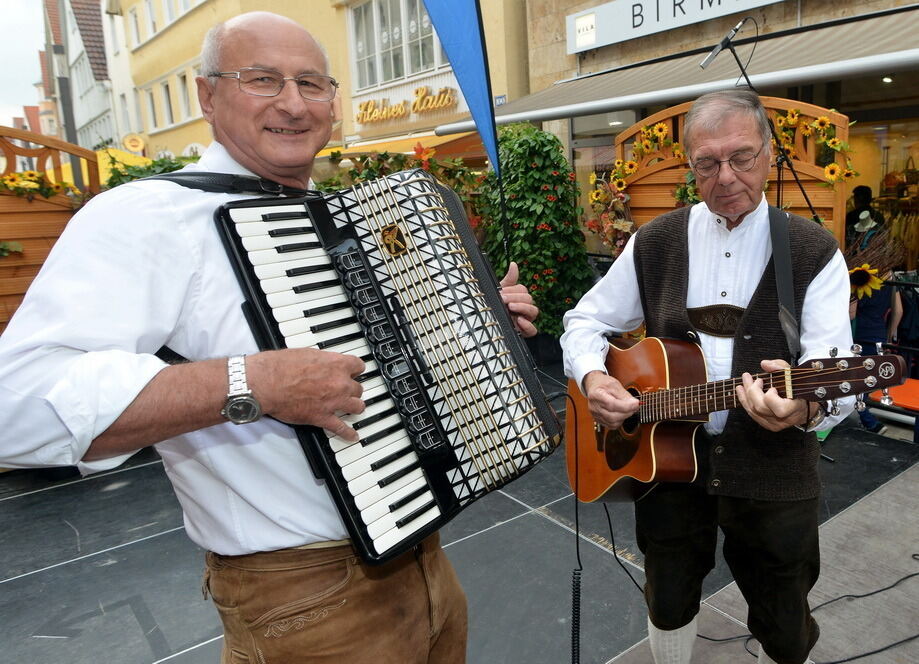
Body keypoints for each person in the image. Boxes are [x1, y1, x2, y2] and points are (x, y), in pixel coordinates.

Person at [0, 12, 539, 664]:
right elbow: (17, 407)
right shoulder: (144, 217)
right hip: (298, 598)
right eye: (263, 80)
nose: (292, 103)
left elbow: (391, 374)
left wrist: (476, 324)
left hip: (424, 555)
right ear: (207, 94)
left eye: (311, 84)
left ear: (333, 103)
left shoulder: (336, 215)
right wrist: (249, 383)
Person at [561, 89, 854, 664]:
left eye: (741, 157)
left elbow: (828, 372)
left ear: (769, 155)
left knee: (784, 613)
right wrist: (596, 379)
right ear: (689, 166)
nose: (725, 176)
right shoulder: (655, 241)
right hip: (667, 467)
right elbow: (583, 321)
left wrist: (806, 409)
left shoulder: (813, 250)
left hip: (774, 474)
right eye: (707, 162)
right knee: (668, 596)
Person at [850, 279, 903, 434]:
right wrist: (888, 337)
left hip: (859, 334)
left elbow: (851, 313)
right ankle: (868, 420)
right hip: (878, 333)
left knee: (856, 380)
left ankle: (870, 422)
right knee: (867, 380)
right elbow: (898, 311)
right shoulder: (890, 277)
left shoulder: (858, 277)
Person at [844, 185, 884, 249]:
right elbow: (882, 239)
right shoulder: (879, 216)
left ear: (856, 199)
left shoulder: (851, 216)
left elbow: (847, 239)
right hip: (874, 254)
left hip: (853, 255)